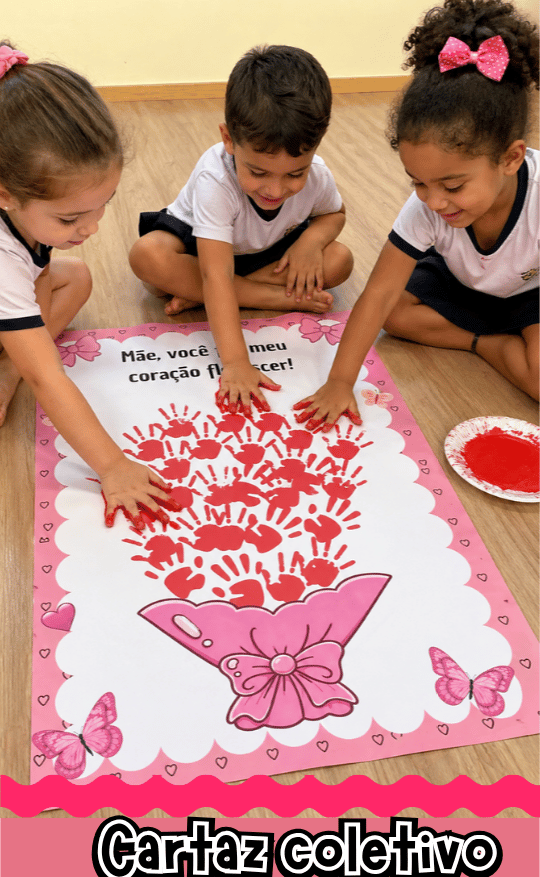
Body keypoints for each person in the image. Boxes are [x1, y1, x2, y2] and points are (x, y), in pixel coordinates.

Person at [295, 0, 539, 433]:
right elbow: (378, 295)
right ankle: (486, 343)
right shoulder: (427, 206)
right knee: (395, 315)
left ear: (510, 158)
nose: (435, 202)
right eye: (418, 183)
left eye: (453, 186)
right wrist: (340, 382)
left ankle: (500, 341)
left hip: (527, 296)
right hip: (460, 283)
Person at [0, 43, 181, 529]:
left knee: (77, 276)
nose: (93, 227)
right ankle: (14, 361)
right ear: (4, 194)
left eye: (105, 203)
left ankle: (10, 366)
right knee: (36, 358)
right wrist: (113, 465)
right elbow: (48, 379)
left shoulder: (25, 211)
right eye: (70, 218)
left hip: (11, 297)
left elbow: (40, 273)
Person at [129, 45, 353, 416]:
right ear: (228, 139)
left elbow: (335, 214)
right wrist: (235, 363)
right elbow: (215, 274)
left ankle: (205, 297)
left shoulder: (318, 174)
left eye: (294, 174)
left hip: (264, 254)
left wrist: (312, 241)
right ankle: (275, 298)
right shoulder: (215, 179)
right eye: (258, 172)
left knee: (339, 260)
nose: (275, 190)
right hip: (201, 252)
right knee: (147, 257)